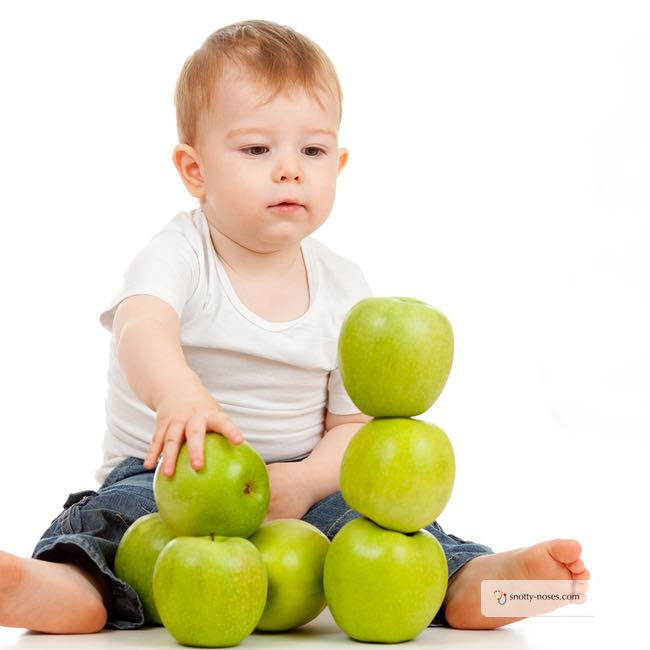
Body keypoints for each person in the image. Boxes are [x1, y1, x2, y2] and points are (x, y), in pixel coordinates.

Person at [0, 19, 589, 635]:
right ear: (194, 170)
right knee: (119, 526)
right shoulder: (178, 253)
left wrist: (305, 482)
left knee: (386, 531)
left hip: (303, 489)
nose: (289, 170)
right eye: (257, 150)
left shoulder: (345, 288)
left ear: (338, 162)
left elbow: (353, 426)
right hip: (173, 481)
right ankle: (55, 586)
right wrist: (178, 393)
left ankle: (480, 585)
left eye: (311, 151)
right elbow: (140, 325)